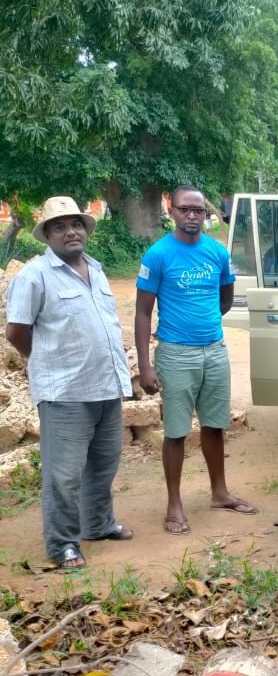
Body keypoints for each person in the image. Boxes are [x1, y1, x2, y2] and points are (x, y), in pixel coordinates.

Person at [5, 196, 133, 569]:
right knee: (63, 474)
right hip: (64, 393)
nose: (70, 231)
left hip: (106, 386)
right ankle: (62, 543)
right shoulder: (33, 275)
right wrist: (47, 361)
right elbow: (16, 332)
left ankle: (99, 524)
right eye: (59, 226)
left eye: (75, 223)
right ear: (47, 235)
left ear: (85, 228)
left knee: (104, 464)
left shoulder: (96, 269)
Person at [134, 184, 255, 534]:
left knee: (215, 426)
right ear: (171, 211)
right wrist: (145, 365)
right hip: (175, 354)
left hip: (214, 351)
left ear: (206, 214)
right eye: (185, 209)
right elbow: (143, 312)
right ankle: (174, 503)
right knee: (175, 431)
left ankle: (220, 492)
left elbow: (226, 296)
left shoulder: (217, 253)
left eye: (198, 210)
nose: (192, 216)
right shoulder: (157, 255)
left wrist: (206, 325)